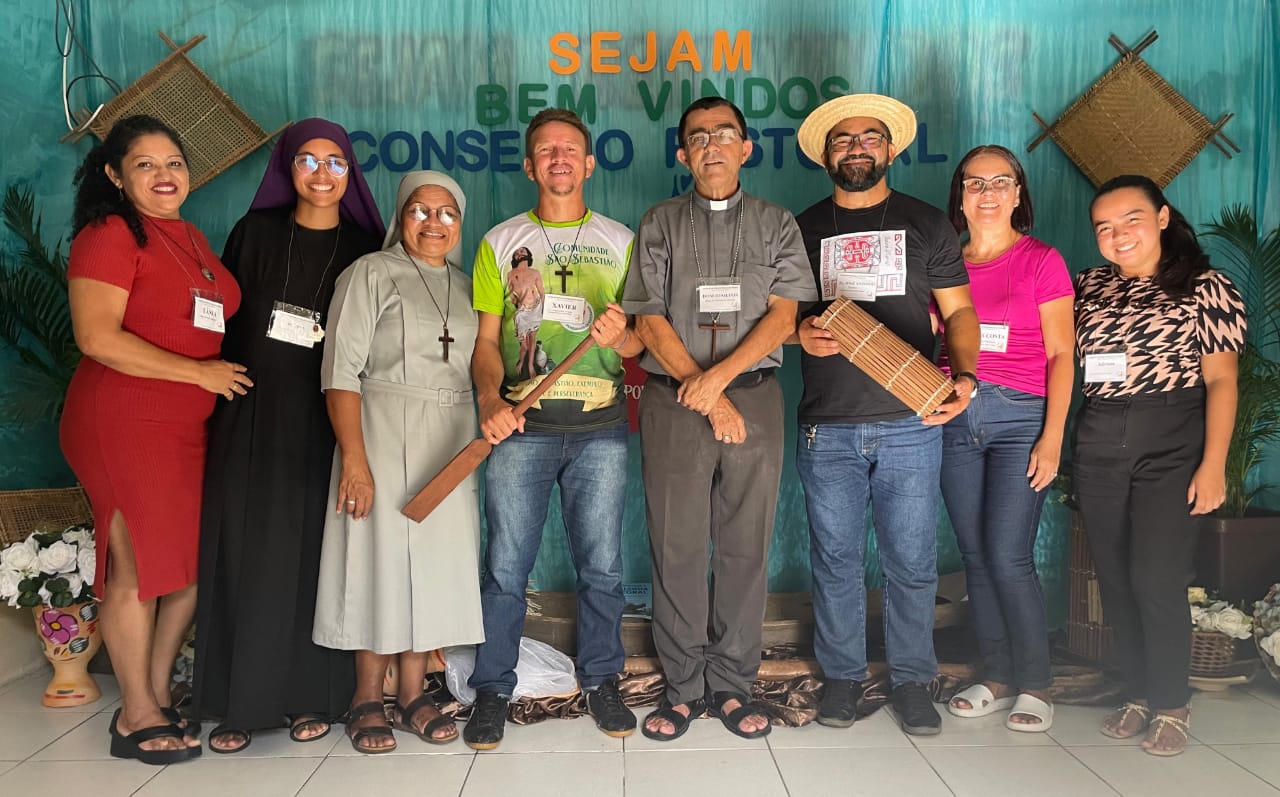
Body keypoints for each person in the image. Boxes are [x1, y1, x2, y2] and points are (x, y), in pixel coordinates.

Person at [623, 97, 817, 742]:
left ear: (746, 148)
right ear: (683, 154)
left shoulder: (776, 224)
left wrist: (720, 384)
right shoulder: (659, 222)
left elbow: (783, 318)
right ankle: (683, 687)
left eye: (724, 134)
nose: (712, 145)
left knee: (744, 544)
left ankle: (732, 684)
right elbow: (649, 319)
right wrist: (706, 393)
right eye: (698, 137)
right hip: (672, 399)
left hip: (753, 395)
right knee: (676, 544)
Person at [191, 118, 385, 753]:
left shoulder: (366, 248)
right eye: (308, 160)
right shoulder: (254, 233)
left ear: (351, 173)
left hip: (330, 421)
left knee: (318, 556)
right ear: (287, 168)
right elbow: (218, 323)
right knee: (248, 550)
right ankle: (240, 704)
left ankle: (314, 697)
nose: (322, 174)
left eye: (336, 162)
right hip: (251, 415)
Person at [60, 114, 249, 765]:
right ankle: (134, 714)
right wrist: (201, 373)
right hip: (123, 420)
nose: (164, 175)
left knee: (191, 563)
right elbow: (96, 337)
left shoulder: (189, 235)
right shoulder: (109, 234)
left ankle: (158, 689)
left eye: (174, 162)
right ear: (115, 175)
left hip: (186, 427)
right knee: (136, 568)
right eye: (145, 164)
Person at [792, 94, 979, 735]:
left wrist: (966, 378)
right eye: (843, 140)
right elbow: (775, 318)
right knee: (836, 559)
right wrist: (798, 335)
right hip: (827, 424)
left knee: (912, 561)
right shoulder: (801, 229)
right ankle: (843, 679)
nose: (857, 148)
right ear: (826, 155)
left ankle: (912, 681)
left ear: (890, 149)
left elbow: (960, 313)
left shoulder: (927, 224)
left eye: (869, 137)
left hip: (912, 421)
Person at [463, 108, 643, 751]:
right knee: (505, 567)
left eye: (570, 149)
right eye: (546, 150)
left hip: (600, 428)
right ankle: (492, 688)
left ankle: (601, 679)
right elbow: (487, 342)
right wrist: (490, 397)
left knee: (603, 567)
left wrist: (621, 336)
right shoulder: (499, 242)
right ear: (529, 165)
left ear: (589, 163)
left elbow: (641, 344)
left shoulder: (622, 242)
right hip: (523, 427)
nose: (559, 158)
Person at [312, 171, 483, 753]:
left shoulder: (467, 286)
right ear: (400, 216)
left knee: (432, 566)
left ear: (460, 223)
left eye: (447, 213)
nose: (434, 223)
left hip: (450, 437)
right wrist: (355, 462)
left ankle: (412, 694)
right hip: (381, 433)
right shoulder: (369, 273)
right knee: (377, 561)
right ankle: (366, 697)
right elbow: (340, 372)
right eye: (420, 211)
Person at [1075, 175, 1244, 756]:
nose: (1118, 234)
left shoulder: (1205, 286)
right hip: (1099, 438)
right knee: (1115, 578)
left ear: (1163, 217)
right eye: (1104, 226)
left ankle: (1172, 703)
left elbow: (1222, 381)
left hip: (1172, 440)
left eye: (1132, 219)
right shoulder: (1089, 285)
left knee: (1157, 577)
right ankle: (1138, 693)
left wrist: (1213, 464)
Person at [935, 146, 1074, 732]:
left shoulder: (1042, 260)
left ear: (1018, 193)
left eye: (1000, 182)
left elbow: (1062, 353)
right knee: (974, 555)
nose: (987, 193)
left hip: (1022, 419)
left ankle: (1036, 683)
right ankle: (995, 676)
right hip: (955, 417)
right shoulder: (944, 261)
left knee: (1008, 556)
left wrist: (1053, 437)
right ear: (960, 196)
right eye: (975, 183)